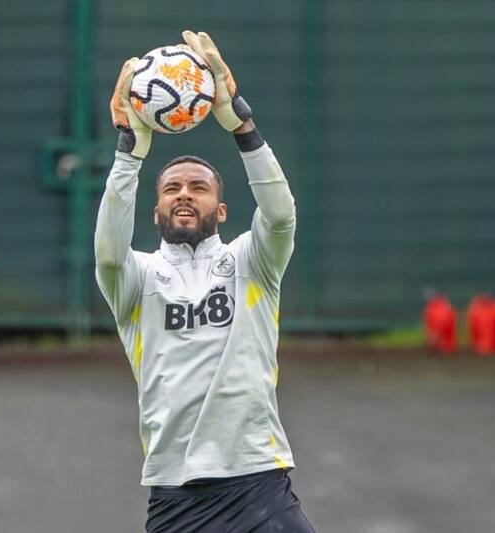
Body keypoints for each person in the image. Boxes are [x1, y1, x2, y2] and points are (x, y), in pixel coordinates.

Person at [95, 30, 316, 533]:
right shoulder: (138, 278)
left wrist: (240, 125)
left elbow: (281, 217)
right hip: (176, 493)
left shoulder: (251, 262)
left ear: (221, 208)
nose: (184, 194)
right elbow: (107, 254)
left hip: (259, 479)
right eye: (172, 188)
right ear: (155, 211)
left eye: (198, 187)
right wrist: (129, 152)